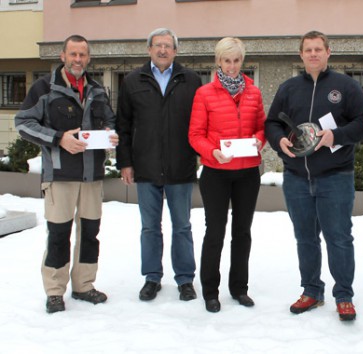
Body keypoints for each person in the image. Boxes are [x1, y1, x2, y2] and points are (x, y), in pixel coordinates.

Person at [265, 30, 363, 321]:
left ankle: (344, 295)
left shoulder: (345, 86)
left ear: (328, 52)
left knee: (339, 238)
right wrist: (279, 141)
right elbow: (272, 122)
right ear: (301, 55)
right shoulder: (288, 88)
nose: (313, 54)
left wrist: (336, 136)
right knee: (306, 238)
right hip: (297, 177)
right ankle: (311, 290)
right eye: (307, 50)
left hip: (335, 176)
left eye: (318, 49)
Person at [15, 35, 118, 313]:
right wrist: (58, 138)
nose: (78, 60)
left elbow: (109, 120)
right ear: (62, 56)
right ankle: (54, 291)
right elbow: (23, 123)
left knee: (90, 234)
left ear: (88, 58)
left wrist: (110, 133)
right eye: (73, 54)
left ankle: (84, 285)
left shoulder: (97, 89)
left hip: (91, 176)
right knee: (59, 234)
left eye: (82, 55)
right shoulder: (44, 88)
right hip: (60, 176)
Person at [116, 28, 202, 302]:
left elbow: (200, 123)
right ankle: (152, 277)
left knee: (182, 226)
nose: (163, 50)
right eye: (158, 45)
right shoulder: (132, 81)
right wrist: (125, 162)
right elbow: (124, 126)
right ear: (149, 50)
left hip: (181, 166)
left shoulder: (191, 80)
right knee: (150, 227)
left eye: (168, 46)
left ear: (176, 51)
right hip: (145, 166)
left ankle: (185, 279)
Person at [188, 37, 266, 313]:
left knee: (242, 233)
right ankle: (210, 291)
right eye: (226, 60)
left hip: (247, 173)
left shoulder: (253, 92)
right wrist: (212, 153)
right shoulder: (205, 93)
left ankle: (239, 288)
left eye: (236, 61)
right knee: (215, 232)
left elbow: (261, 127)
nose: (232, 66)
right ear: (218, 61)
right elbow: (195, 135)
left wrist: (259, 140)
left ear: (242, 61)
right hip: (216, 173)